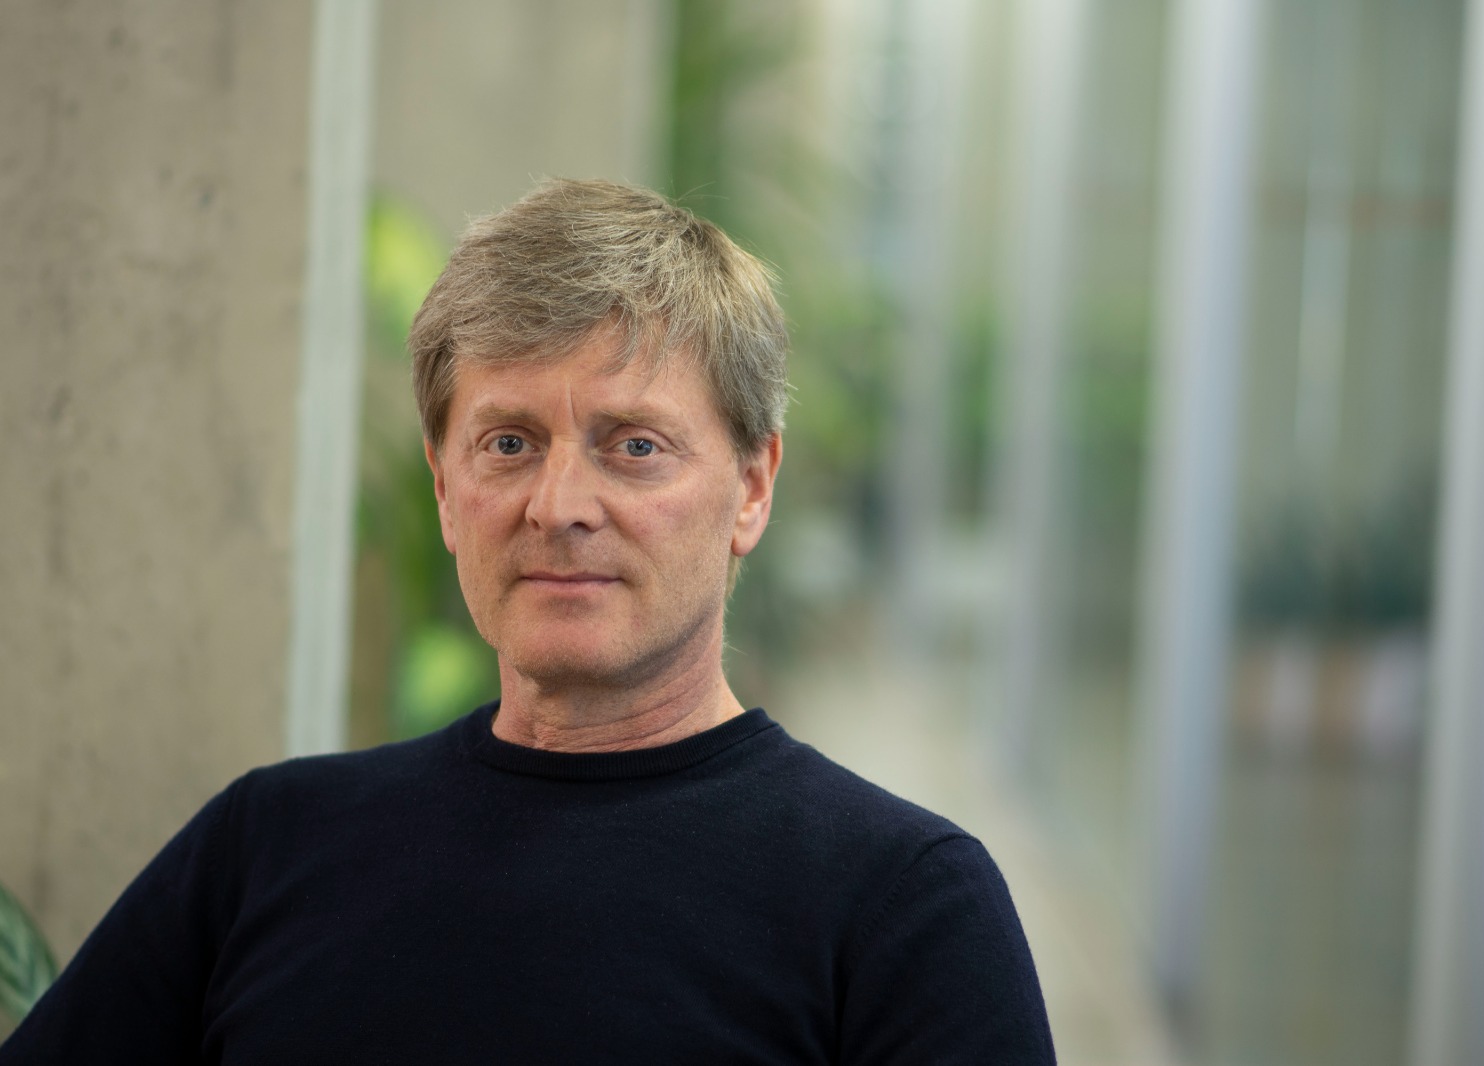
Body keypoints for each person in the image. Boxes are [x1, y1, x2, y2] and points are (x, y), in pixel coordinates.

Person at [0, 179, 1055, 1064]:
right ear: (444, 488)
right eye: (508, 443)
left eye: (633, 446)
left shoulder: (902, 907)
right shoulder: (266, 847)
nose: (557, 506)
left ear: (751, 487)